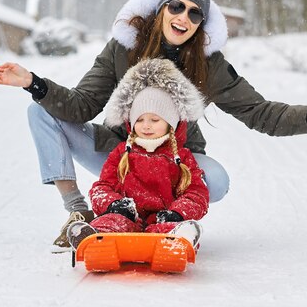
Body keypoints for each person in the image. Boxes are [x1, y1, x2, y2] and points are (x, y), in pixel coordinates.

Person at [0, 0, 307, 252]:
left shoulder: (208, 64)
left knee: (216, 180)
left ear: (202, 24)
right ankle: (79, 213)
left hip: (175, 160)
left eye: (195, 13)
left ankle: (166, 220)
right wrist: (33, 82)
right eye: (177, 6)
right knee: (41, 113)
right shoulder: (123, 49)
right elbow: (82, 104)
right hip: (120, 156)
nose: (184, 17)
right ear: (162, 8)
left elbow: (259, 111)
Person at [67, 58, 208, 250]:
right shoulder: (121, 153)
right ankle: (93, 241)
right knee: (111, 223)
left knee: (172, 229)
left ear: (170, 122)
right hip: (126, 217)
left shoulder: (181, 157)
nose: (146, 125)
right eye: (140, 120)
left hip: (162, 219)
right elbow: (102, 187)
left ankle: (176, 243)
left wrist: (178, 213)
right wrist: (113, 204)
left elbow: (196, 193)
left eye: (155, 119)